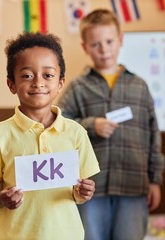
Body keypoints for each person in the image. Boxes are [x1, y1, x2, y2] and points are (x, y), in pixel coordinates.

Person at [0, 31, 100, 240]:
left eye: (48, 75)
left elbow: (79, 192)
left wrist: (84, 193)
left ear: (60, 82)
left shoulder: (76, 133)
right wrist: (3, 199)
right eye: (26, 75)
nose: (38, 82)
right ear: (11, 84)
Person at [57, 9, 165, 240]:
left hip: (133, 184)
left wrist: (155, 180)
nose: (104, 49)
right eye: (95, 44)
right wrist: (90, 125)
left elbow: (153, 136)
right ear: (85, 47)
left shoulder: (140, 86)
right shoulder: (77, 87)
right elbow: (59, 124)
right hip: (90, 187)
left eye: (108, 41)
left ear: (120, 40)